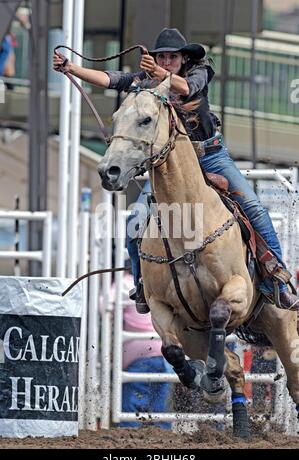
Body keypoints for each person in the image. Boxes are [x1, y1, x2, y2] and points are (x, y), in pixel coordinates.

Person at [53, 27, 299, 312]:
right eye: (162, 57)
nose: (167, 61)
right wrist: (72, 68)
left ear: (183, 59)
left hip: (209, 155)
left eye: (172, 57)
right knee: (136, 219)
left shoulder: (199, 73)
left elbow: (185, 88)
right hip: (168, 164)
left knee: (254, 208)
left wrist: (159, 74)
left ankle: (278, 280)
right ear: (156, 58)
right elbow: (112, 79)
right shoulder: (146, 81)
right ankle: (143, 284)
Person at [117, 273, 173, 428]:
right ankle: (164, 437)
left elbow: (103, 306)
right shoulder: (157, 282)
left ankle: (128, 435)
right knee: (159, 403)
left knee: (132, 403)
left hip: (138, 357)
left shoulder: (123, 284)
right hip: (162, 352)